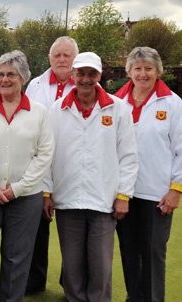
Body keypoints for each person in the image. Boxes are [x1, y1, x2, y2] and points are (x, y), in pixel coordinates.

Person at [44, 52, 138, 302]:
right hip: (67, 199)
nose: (86, 79)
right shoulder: (57, 109)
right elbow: (47, 154)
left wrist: (123, 196)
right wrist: (46, 193)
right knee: (73, 268)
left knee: (101, 267)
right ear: (73, 75)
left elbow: (128, 155)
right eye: (81, 73)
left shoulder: (118, 109)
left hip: (104, 200)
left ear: (99, 76)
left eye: (91, 74)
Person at [0, 51, 55, 301]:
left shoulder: (39, 112)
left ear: (23, 77)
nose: (5, 79)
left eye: (11, 74)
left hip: (25, 199)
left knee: (17, 259)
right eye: (1, 74)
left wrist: (18, 188)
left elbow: (45, 155)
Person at [115, 47, 182, 301]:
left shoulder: (173, 103)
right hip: (124, 193)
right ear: (129, 71)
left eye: (148, 68)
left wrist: (176, 189)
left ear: (158, 71)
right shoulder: (116, 101)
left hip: (157, 194)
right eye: (137, 68)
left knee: (153, 254)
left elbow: (181, 149)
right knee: (129, 252)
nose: (142, 74)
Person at [24, 36, 78, 294]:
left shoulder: (87, 85)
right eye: (57, 55)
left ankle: (71, 284)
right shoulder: (35, 85)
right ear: (49, 58)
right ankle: (34, 281)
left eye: (67, 55)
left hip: (72, 167)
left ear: (75, 59)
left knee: (74, 231)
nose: (62, 59)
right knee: (36, 230)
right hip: (38, 168)